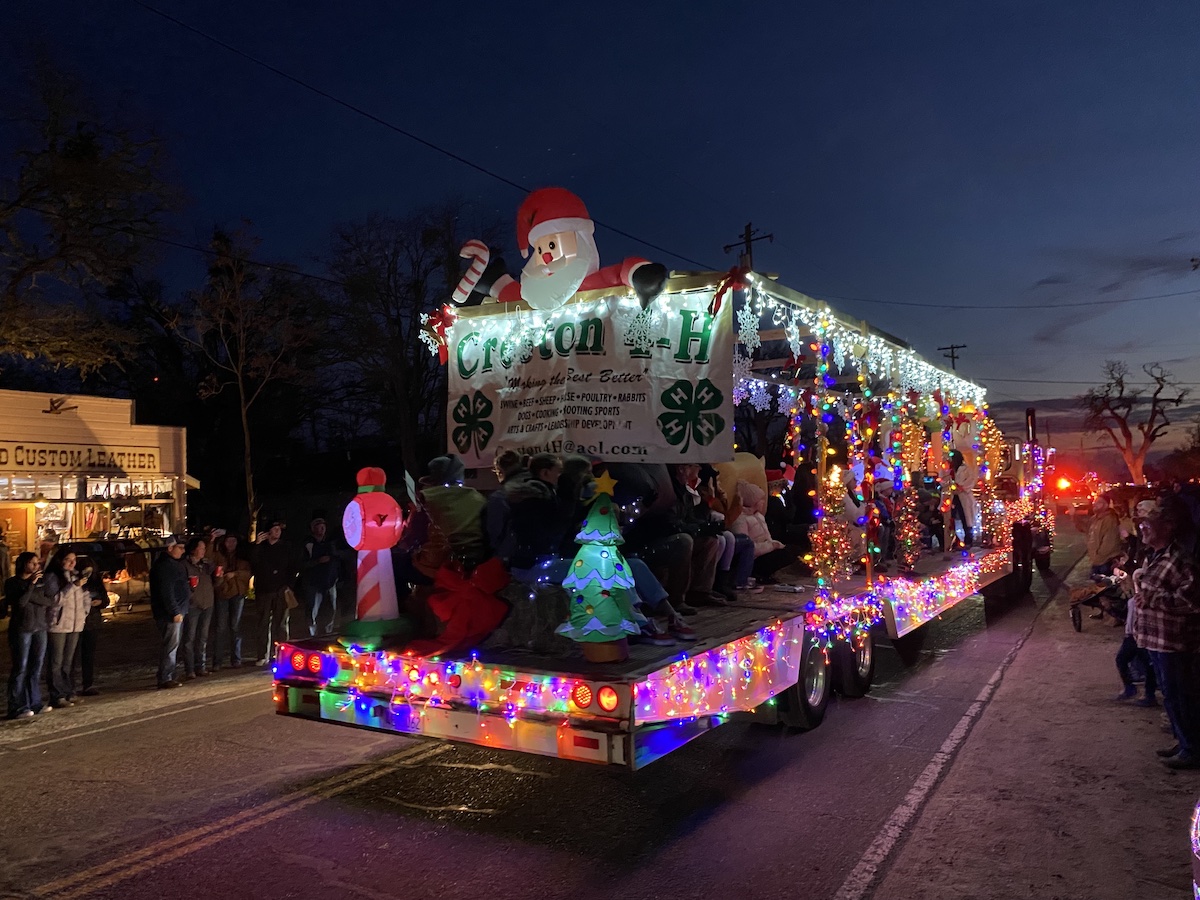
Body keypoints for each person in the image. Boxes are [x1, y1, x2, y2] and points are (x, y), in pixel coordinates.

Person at [1129, 497, 1200, 769]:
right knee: (1170, 695)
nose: (1142, 528)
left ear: (1168, 526)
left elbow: (1192, 602)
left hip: (1174, 642)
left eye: (1148, 523)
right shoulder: (1154, 556)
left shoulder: (1180, 560)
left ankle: (1191, 748)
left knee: (1181, 695)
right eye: (1141, 523)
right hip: (1155, 640)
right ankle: (1183, 741)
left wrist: (1154, 598)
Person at [5, 551, 54, 718]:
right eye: (33, 563)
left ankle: (35, 702)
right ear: (24, 564)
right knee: (21, 667)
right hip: (22, 629)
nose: (36, 566)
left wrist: (31, 595)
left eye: (37, 563)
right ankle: (17, 706)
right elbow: (20, 603)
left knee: (36, 667)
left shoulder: (41, 582)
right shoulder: (13, 583)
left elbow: (50, 601)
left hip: (40, 627)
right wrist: (31, 586)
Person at [42, 547, 90, 708]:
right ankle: (57, 695)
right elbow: (55, 600)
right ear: (60, 560)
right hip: (58, 624)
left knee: (68, 662)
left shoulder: (76, 575)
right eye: (68, 560)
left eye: (74, 560)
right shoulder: (52, 577)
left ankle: (69, 691)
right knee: (56, 661)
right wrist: (72, 586)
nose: (72, 563)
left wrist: (84, 612)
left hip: (75, 624)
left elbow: (85, 596)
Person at [253, 521, 295, 665]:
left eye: (279, 530)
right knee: (262, 623)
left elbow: (292, 567)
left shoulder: (286, 548)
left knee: (281, 624)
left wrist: (288, 586)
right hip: (263, 590)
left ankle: (282, 654)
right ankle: (262, 655)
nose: (277, 532)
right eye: (274, 529)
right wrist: (256, 545)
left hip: (280, 590)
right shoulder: (261, 548)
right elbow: (253, 563)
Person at [150, 536, 189, 689]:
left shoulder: (171, 564)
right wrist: (175, 611)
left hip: (176, 610)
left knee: (172, 644)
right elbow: (167, 591)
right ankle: (166, 676)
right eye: (180, 548)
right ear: (170, 548)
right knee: (170, 645)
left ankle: (168, 674)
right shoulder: (166, 566)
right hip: (170, 613)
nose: (182, 551)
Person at [211, 533, 251, 669]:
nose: (231, 544)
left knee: (235, 627)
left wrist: (235, 574)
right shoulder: (218, 555)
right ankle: (217, 661)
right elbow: (210, 562)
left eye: (234, 541)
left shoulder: (242, 556)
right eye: (228, 541)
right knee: (220, 628)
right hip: (222, 593)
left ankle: (236, 659)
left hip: (238, 593)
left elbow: (248, 573)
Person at [299, 513, 340, 637]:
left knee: (330, 610)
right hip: (313, 583)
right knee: (312, 610)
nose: (322, 529)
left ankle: (327, 634)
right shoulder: (307, 544)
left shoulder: (330, 543)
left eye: (323, 526)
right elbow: (302, 564)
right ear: (313, 529)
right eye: (319, 526)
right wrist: (317, 561)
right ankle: (311, 635)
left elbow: (336, 560)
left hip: (330, 582)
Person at [181, 537, 215, 679]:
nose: (203, 551)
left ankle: (200, 666)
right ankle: (189, 669)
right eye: (201, 548)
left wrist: (218, 576)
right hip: (193, 605)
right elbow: (182, 585)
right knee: (190, 637)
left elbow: (215, 582)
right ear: (194, 549)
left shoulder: (205, 565)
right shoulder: (185, 565)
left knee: (203, 637)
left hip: (207, 603)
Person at [74, 559, 109, 696]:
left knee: (88, 655)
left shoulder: (96, 581)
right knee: (72, 655)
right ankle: (70, 685)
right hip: (76, 621)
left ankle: (88, 684)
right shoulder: (75, 580)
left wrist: (100, 602)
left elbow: (105, 599)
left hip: (92, 622)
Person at [1087, 494, 1123, 577]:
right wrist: (1073, 516)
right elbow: (1085, 529)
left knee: (1107, 586)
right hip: (1097, 560)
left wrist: (1098, 557)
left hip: (1106, 562)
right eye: (1095, 501)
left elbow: (1109, 542)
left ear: (1106, 505)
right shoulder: (1094, 518)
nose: (1095, 504)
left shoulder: (1110, 519)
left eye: (1099, 502)